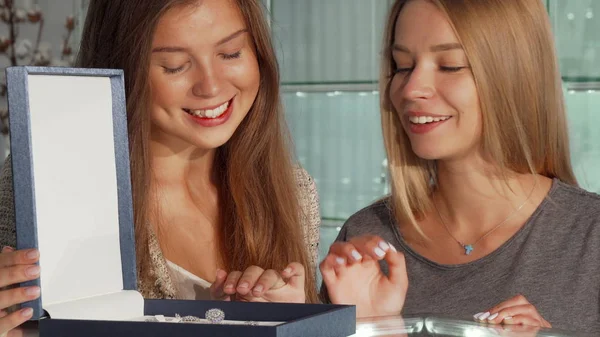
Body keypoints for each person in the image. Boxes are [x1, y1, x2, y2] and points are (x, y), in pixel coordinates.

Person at [0, 0, 321, 333]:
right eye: (175, 65)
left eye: (231, 53)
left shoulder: (295, 195)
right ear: (123, 66)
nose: (211, 86)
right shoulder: (47, 185)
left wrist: (298, 322)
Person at [320, 0, 600, 333]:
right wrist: (374, 329)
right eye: (402, 66)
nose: (411, 89)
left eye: (450, 65)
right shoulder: (365, 240)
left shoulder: (590, 238)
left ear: (515, 74)